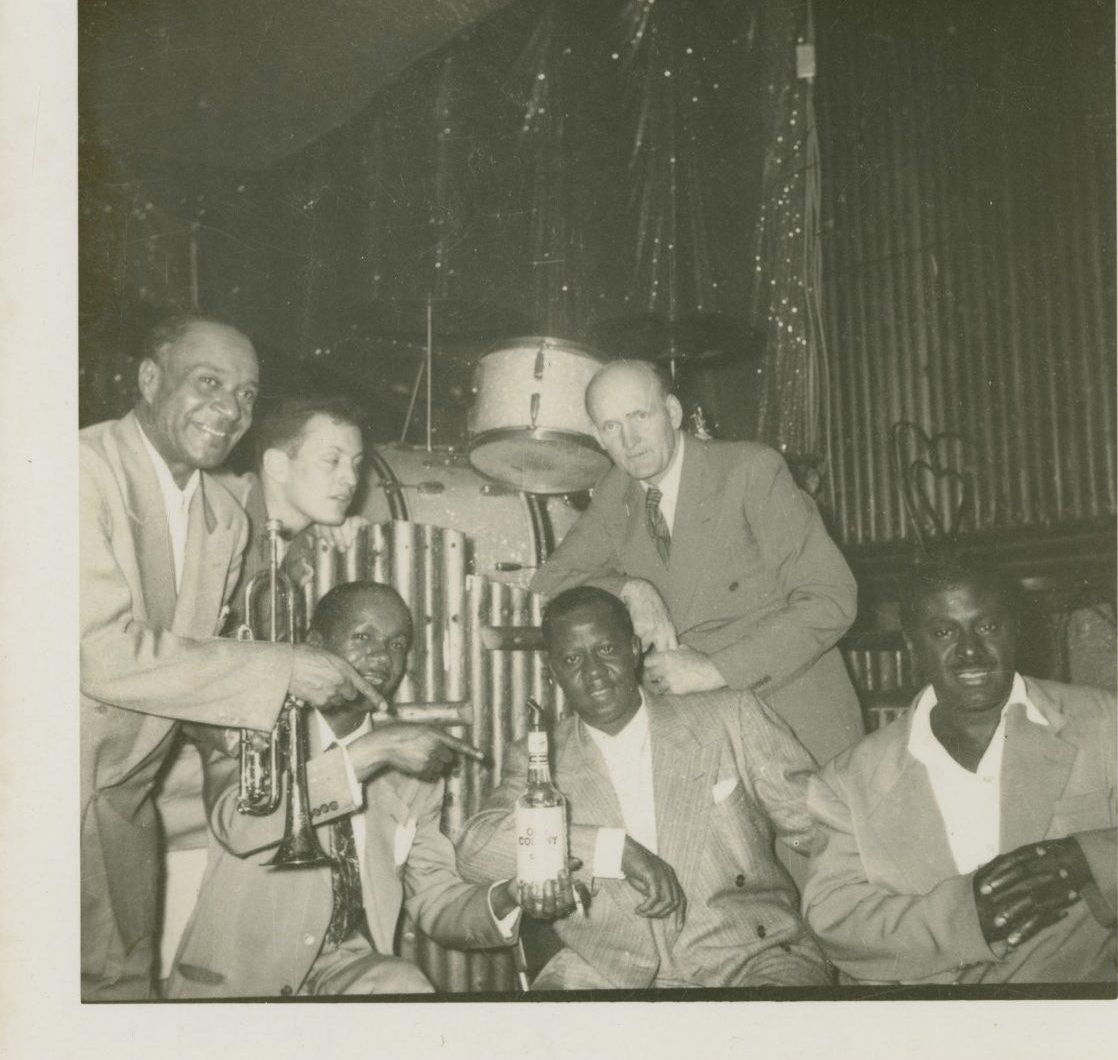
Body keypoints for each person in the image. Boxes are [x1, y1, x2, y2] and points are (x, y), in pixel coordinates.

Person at [80, 314, 386, 1000]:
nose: (229, 409)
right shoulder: (80, 469)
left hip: (125, 805)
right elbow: (98, 656)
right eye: (208, 383)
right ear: (149, 379)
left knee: (119, 996)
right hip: (59, 793)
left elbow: (197, 659)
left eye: (246, 394)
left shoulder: (216, 515)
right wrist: (280, 671)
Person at [455, 586, 830, 990]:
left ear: (634, 649)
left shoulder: (730, 717)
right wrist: (614, 852)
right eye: (572, 659)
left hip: (752, 959)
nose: (594, 671)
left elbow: (824, 829)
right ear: (553, 671)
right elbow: (476, 848)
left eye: (606, 650)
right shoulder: (542, 758)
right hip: (608, 974)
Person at [167, 582, 521, 997]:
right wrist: (370, 753)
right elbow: (241, 828)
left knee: (404, 986)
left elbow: (436, 898)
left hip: (348, 973)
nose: (381, 655)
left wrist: (510, 897)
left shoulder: (411, 776)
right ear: (315, 646)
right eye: (362, 636)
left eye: (396, 644)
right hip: (241, 985)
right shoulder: (251, 728)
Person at [530, 359, 860, 772]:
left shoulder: (749, 470)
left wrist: (715, 670)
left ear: (672, 412)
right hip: (701, 742)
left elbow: (832, 600)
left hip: (794, 724)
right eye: (612, 427)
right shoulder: (616, 493)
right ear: (598, 436)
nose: (630, 441)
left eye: (640, 416)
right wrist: (632, 591)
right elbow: (550, 579)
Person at [802, 559, 1117, 985]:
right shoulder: (846, 781)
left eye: (987, 627)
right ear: (913, 645)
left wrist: (1085, 857)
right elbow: (834, 920)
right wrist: (966, 919)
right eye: (945, 632)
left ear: (1017, 630)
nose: (971, 650)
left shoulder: (1108, 724)